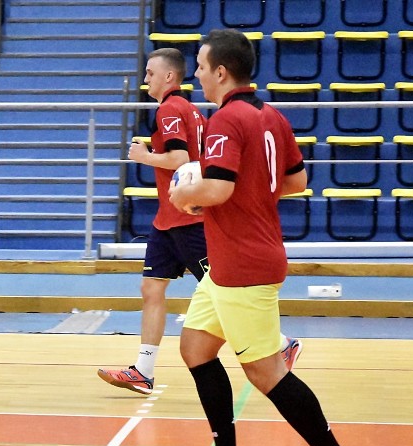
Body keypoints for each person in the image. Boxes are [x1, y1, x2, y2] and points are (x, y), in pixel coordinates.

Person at [168, 29, 364, 446]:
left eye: (199, 65)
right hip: (238, 259)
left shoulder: (225, 120)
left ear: (220, 71)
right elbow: (296, 180)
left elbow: (217, 191)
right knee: (195, 347)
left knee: (265, 373)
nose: (195, 73)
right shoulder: (270, 115)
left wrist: (184, 196)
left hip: (243, 266)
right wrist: (237, 195)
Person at [97, 48, 301, 396]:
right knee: (152, 289)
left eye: (150, 73)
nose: (145, 79)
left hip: (188, 217)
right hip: (167, 220)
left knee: (219, 291)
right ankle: (143, 370)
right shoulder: (193, 110)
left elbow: (182, 158)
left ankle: (280, 343)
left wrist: (144, 156)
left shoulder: (171, 108)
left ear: (169, 78)